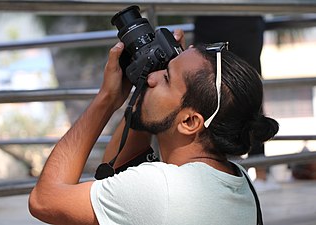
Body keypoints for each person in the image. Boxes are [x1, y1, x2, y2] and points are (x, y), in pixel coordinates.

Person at [28, 29, 279, 225]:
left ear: (190, 122)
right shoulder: (238, 179)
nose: (151, 78)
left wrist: (106, 99)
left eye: (166, 78)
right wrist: (147, 87)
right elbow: (118, 174)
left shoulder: (160, 189)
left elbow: (43, 200)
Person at [193, 16, 269, 181]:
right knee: (209, 96)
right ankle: (251, 171)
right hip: (217, 20)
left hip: (239, 19)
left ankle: (260, 172)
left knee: (248, 93)